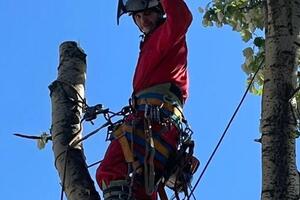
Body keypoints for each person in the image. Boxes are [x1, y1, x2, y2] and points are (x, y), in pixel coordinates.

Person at [96, 0, 193, 199]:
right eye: (137, 17)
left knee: (110, 171)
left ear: (160, 11)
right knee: (140, 185)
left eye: (147, 14)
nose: (142, 20)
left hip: (155, 121)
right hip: (156, 124)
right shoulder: (152, 43)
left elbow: (181, 18)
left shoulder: (168, 35)